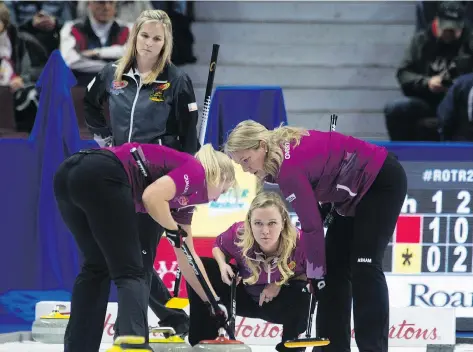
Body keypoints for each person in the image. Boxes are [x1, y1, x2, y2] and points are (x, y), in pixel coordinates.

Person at [223, 120, 408, 352]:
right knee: (332, 272)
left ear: (261, 146)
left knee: (365, 265)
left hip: (380, 181)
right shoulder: (278, 152)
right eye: (239, 163)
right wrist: (319, 274)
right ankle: (333, 348)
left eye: (246, 160)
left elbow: (312, 227)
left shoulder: (287, 169)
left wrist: (314, 273)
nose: (245, 169)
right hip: (348, 194)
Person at [53, 142, 236, 352]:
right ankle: (133, 345)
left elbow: (188, 256)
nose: (218, 198)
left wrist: (212, 301)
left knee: (96, 268)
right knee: (132, 272)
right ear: (219, 176)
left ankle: (79, 348)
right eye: (224, 189)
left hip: (68, 173)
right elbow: (152, 197)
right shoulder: (195, 170)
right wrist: (172, 228)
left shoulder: (183, 200)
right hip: (103, 173)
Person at [83, 9, 200, 335]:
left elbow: (189, 137)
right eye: (145, 36)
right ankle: (175, 319)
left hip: (156, 183)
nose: (149, 43)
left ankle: (131, 335)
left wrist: (181, 185)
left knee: (138, 260)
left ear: (166, 43)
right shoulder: (111, 74)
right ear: (135, 36)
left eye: (157, 38)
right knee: (125, 258)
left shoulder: (176, 80)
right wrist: (105, 138)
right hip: (118, 176)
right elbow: (90, 104)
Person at [187, 191, 310, 352]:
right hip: (242, 296)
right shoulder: (240, 233)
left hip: (278, 304)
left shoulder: (300, 241)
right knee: (203, 266)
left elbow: (312, 273)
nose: (265, 231)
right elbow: (218, 246)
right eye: (258, 223)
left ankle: (291, 347)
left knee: (302, 290)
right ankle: (203, 341)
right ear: (249, 223)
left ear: (283, 222)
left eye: (272, 223)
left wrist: (279, 283)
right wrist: (223, 265)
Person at [384, 1, 473, 142]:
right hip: (428, 100)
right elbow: (403, 73)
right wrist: (428, 82)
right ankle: (404, 157)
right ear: (436, 22)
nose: (448, 33)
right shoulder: (421, 40)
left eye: (453, 30)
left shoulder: (469, 40)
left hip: (458, 104)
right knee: (396, 109)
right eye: (445, 29)